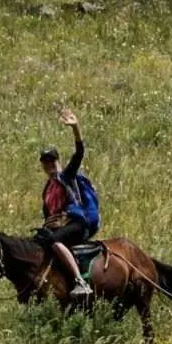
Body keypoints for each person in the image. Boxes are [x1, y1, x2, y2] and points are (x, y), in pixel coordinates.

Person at [35, 107, 100, 297]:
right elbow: (48, 217)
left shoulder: (67, 176)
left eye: (52, 161)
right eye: (45, 163)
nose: (49, 165)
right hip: (59, 228)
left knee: (54, 241)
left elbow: (79, 153)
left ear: (58, 161)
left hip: (77, 223)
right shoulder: (47, 190)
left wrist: (75, 128)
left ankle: (81, 282)